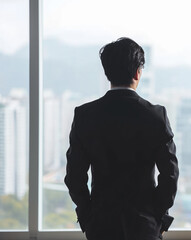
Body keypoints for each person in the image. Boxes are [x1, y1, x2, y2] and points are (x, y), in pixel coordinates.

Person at [64, 37, 179, 240]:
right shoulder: (155, 115)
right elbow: (170, 175)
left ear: (107, 73)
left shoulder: (85, 115)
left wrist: (88, 218)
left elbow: (74, 176)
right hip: (145, 227)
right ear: (138, 72)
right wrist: (157, 219)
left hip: (101, 227)